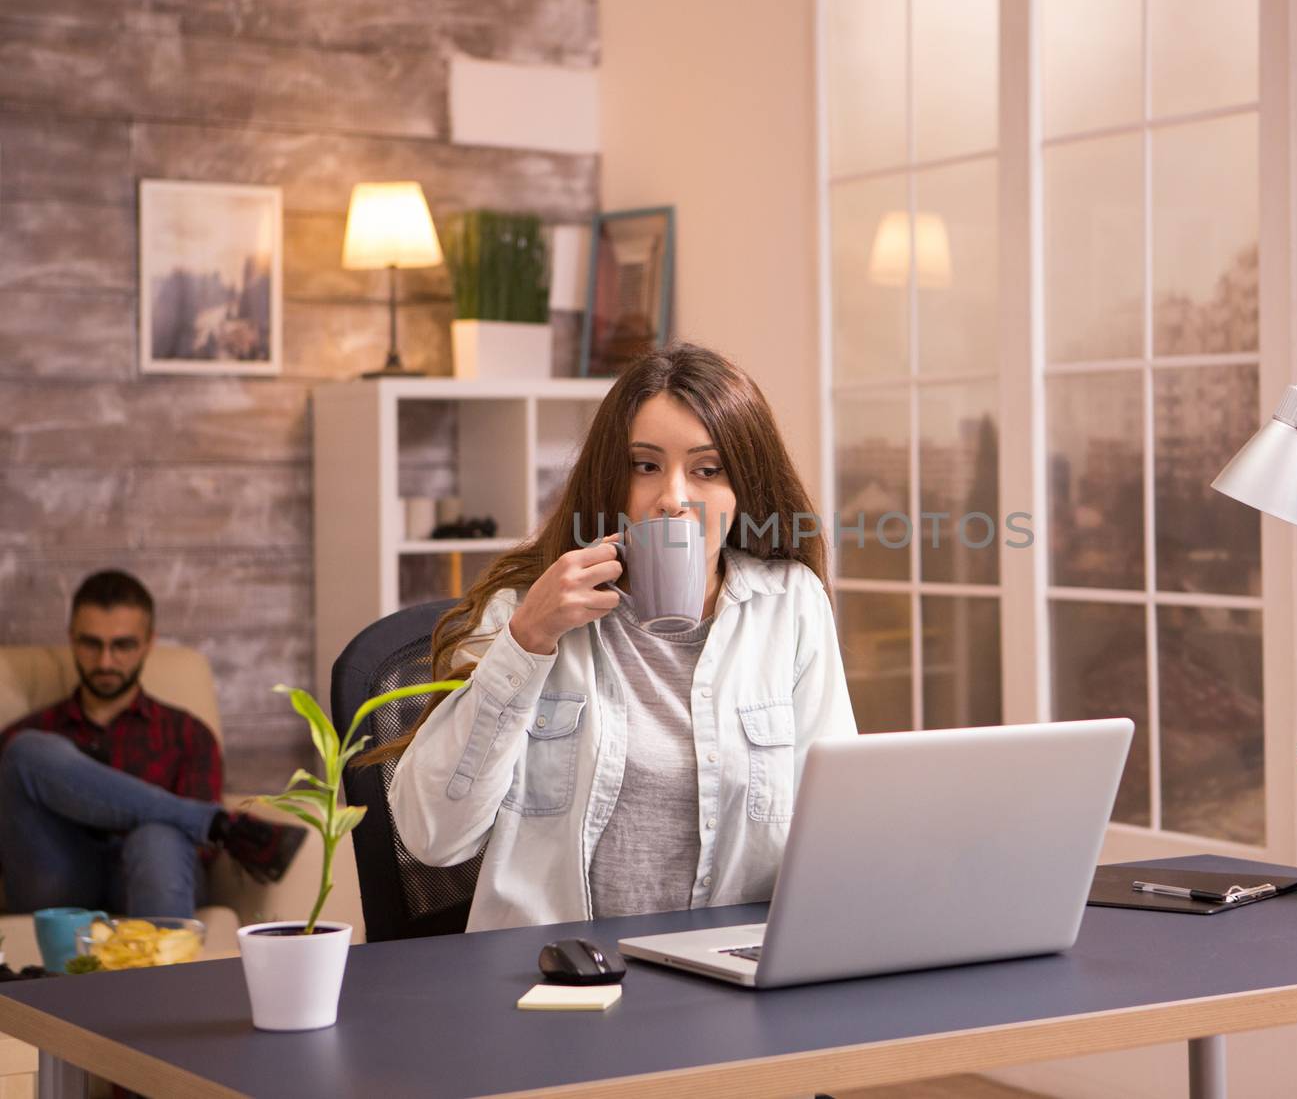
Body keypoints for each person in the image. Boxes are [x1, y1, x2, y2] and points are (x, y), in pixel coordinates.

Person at [377, 343, 858, 930]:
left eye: (708, 470)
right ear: (612, 479)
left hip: (729, 976)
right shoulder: (524, 611)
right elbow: (432, 839)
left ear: (744, 490)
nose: (673, 498)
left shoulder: (789, 605)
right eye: (645, 465)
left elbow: (839, 832)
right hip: (558, 977)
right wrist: (526, 642)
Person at [0, 571, 307, 919]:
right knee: (25, 751)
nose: (105, 662)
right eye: (91, 643)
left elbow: (200, 856)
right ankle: (215, 822)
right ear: (71, 639)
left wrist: (136, 824)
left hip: (155, 876)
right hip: (59, 885)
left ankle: (165, 971)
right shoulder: (29, 734)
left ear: (148, 642)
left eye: (122, 645)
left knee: (157, 838)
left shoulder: (187, 734)